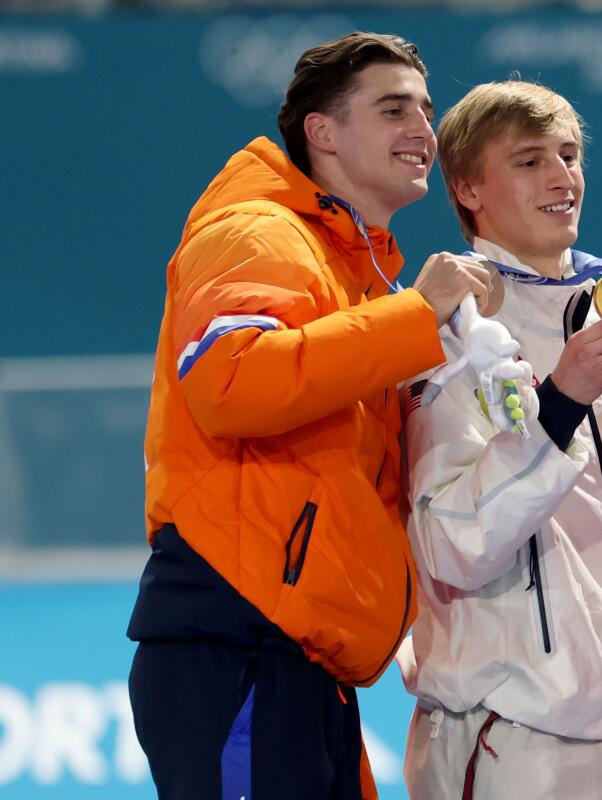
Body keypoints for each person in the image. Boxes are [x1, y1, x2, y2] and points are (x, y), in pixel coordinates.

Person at [126, 32, 494, 800]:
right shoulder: (259, 232)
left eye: (426, 111)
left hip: (297, 655)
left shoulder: (345, 266)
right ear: (322, 133)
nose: (423, 130)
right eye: (393, 110)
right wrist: (413, 319)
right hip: (238, 643)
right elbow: (230, 384)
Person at [398, 80, 602, 799]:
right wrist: (556, 407)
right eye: (530, 161)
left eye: (569, 156)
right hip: (519, 737)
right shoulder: (444, 332)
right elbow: (448, 544)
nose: (562, 178)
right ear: (467, 187)